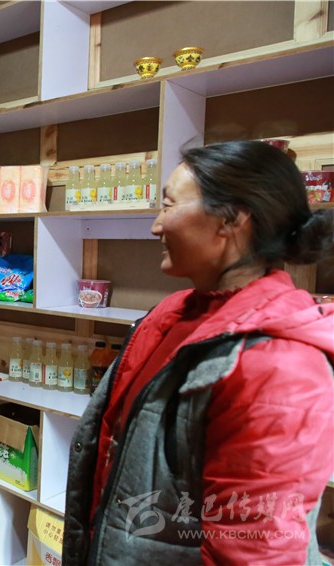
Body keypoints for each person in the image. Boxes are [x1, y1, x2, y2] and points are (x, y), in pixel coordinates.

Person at [63, 141, 334, 565]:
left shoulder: (279, 366)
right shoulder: (173, 314)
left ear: (232, 220)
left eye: (169, 205)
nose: (156, 226)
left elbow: (255, 550)